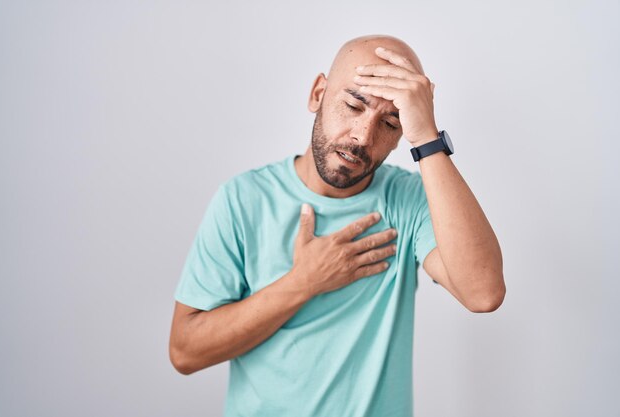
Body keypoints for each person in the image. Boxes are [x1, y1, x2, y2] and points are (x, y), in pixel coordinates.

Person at [169, 34, 506, 417]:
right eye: (352, 105)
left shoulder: (410, 199)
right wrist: (303, 283)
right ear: (318, 94)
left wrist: (427, 138)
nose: (363, 136)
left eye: (391, 123)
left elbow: (483, 293)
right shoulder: (243, 199)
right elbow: (185, 351)